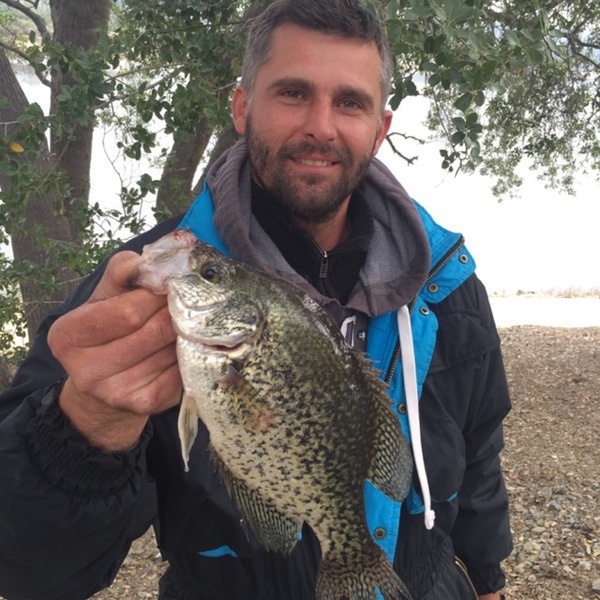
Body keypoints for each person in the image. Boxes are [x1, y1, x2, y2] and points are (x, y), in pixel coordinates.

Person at [0, 1, 512, 599]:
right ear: (243, 108)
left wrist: (488, 580)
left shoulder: (448, 284)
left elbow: (479, 457)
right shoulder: (140, 288)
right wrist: (87, 424)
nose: (321, 126)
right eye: (293, 93)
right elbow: (28, 568)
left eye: (350, 102)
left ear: (379, 130)